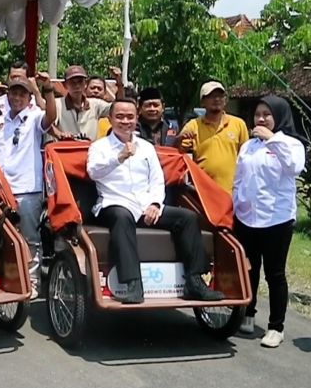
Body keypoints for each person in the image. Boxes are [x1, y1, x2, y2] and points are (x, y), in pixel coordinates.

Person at [87, 98, 224, 304]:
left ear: (137, 119)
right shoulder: (100, 147)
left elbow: (157, 180)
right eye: (120, 117)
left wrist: (155, 204)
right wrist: (119, 157)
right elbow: (93, 172)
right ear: (110, 119)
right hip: (113, 203)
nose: (125, 121)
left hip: (145, 205)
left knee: (187, 218)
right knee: (121, 215)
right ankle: (132, 283)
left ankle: (195, 281)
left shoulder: (146, 147)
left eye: (130, 117)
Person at [233, 96, 305, 348]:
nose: (260, 119)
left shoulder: (291, 144)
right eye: (257, 114)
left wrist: (271, 139)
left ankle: (276, 326)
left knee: (275, 274)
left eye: (267, 114)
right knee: (249, 269)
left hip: (277, 219)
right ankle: (248, 314)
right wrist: (237, 202)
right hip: (246, 217)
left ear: (279, 116)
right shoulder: (248, 146)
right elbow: (240, 177)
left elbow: (295, 167)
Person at [0, 75, 57, 298]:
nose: (17, 97)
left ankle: (33, 282)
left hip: (28, 190)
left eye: (22, 94)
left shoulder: (35, 117)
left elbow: (51, 117)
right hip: (2, 191)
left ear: (29, 98)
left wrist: (47, 90)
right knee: (5, 239)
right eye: (13, 93)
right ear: (8, 96)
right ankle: (9, 280)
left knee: (30, 239)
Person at [177, 81, 248, 194]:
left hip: (233, 193)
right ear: (202, 102)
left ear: (225, 100)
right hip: (204, 193)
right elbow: (179, 153)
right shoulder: (193, 125)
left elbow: (247, 158)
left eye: (220, 96)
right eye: (211, 96)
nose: (216, 99)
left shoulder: (238, 124)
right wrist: (180, 142)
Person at [50, 65, 112, 141]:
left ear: (85, 84)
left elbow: (117, 108)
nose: (77, 86)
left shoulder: (95, 104)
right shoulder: (57, 104)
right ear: (65, 85)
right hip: (65, 150)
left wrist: (119, 84)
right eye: (72, 82)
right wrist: (60, 134)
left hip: (89, 150)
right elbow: (46, 124)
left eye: (80, 81)